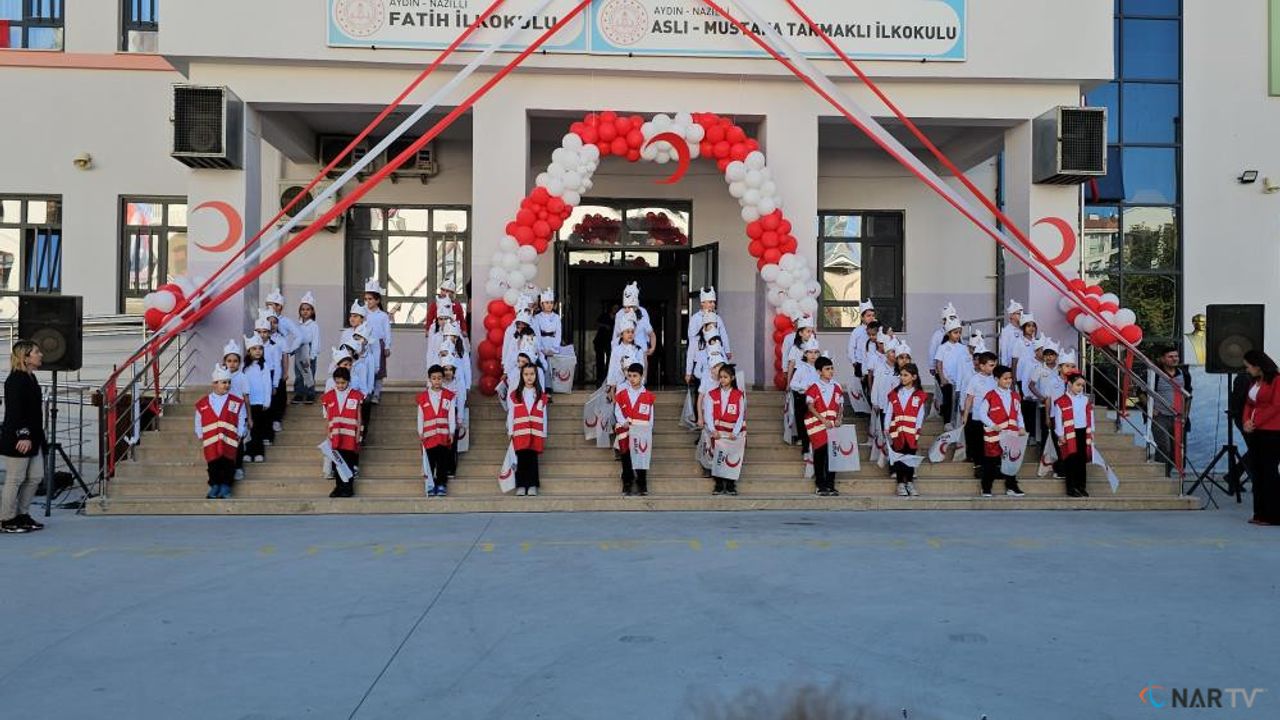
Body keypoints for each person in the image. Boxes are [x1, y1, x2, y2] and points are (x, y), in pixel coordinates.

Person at [1, 340, 44, 532]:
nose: (40, 354)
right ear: (26, 358)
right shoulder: (15, 380)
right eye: (36, 352)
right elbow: (15, 412)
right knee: (15, 478)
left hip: (34, 437)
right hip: (18, 438)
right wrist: (23, 435)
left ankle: (22, 514)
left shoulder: (31, 379)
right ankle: (6, 519)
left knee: (35, 476)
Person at [192, 365, 247, 501]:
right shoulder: (203, 403)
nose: (227, 385)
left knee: (228, 463)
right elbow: (198, 420)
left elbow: (241, 417)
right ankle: (215, 485)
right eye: (224, 382)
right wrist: (200, 434)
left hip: (229, 440)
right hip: (211, 440)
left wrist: (240, 432)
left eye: (229, 382)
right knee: (213, 464)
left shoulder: (236, 402)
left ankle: (226, 486)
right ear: (214, 384)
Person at [975, 365, 1027, 497]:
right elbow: (982, 413)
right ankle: (986, 487)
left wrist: (1021, 426)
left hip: (1012, 434)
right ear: (997, 379)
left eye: (1010, 378)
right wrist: (992, 425)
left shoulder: (1015, 396)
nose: (1008, 381)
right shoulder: (991, 395)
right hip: (994, 435)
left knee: (1011, 461)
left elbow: (1019, 413)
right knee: (991, 462)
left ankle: (1012, 486)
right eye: (1005, 378)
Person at [1241, 350, 1280, 525]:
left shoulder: (1277, 380)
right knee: (1257, 472)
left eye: (1248, 366)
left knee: (1269, 472)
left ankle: (1272, 514)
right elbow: (1249, 403)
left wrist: (1254, 421)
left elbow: (1276, 406)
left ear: (1257, 366)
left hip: (1272, 431)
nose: (1247, 370)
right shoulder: (1256, 382)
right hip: (1256, 430)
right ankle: (1259, 513)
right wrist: (1246, 421)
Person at [885, 362, 928, 497]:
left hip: (911, 432)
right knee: (899, 457)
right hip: (897, 431)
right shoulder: (895, 394)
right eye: (901, 375)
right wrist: (886, 427)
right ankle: (900, 484)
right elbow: (889, 411)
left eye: (905, 375)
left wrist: (917, 430)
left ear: (914, 377)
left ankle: (909, 482)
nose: (902, 378)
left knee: (910, 457)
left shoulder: (919, 395)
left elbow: (920, 414)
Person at [322, 366, 365, 498]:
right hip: (336, 435)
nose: (340, 385)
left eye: (343, 383)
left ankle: (348, 488)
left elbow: (358, 416)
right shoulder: (328, 396)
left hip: (350, 436)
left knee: (349, 462)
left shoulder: (355, 395)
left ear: (348, 381)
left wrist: (358, 434)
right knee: (337, 463)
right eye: (338, 382)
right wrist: (328, 433)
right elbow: (327, 417)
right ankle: (339, 487)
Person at [704, 363, 746, 496]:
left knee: (732, 458)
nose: (722, 380)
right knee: (718, 458)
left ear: (732, 378)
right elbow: (708, 414)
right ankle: (718, 484)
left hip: (732, 435)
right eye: (720, 377)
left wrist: (736, 432)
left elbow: (741, 415)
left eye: (725, 377)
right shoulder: (712, 394)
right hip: (717, 434)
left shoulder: (738, 395)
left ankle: (730, 485)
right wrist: (712, 430)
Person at [805, 356, 844, 497]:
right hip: (818, 427)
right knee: (820, 455)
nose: (831, 371)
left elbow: (840, 406)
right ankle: (820, 485)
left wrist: (839, 419)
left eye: (832, 368)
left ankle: (830, 484)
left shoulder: (837, 386)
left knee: (832, 456)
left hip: (832, 426)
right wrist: (822, 419)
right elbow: (810, 406)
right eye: (827, 369)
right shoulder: (814, 386)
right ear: (819, 371)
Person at [508, 364, 548, 497]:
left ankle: (532, 485)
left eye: (532, 374)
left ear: (536, 376)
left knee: (532, 459)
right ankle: (520, 485)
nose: (529, 377)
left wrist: (544, 432)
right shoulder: (516, 395)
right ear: (522, 376)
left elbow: (544, 415)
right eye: (526, 374)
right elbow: (511, 413)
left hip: (535, 433)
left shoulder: (541, 396)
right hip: (520, 432)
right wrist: (510, 431)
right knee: (521, 459)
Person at [614, 363, 653, 497]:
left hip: (641, 431)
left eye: (635, 376)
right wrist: (622, 422)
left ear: (641, 377)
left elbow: (650, 415)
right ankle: (627, 483)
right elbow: (618, 410)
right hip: (625, 431)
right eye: (629, 376)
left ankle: (642, 484)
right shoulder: (622, 393)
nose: (632, 379)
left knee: (641, 456)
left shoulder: (647, 395)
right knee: (626, 457)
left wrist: (648, 430)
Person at [1052, 372, 1094, 498]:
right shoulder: (1061, 401)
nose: (1080, 388)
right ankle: (1071, 488)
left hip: (1082, 432)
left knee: (1081, 460)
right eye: (1078, 385)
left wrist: (1091, 432)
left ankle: (1081, 487)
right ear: (1069, 384)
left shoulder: (1085, 399)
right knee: (1071, 460)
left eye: (1082, 385)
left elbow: (1089, 416)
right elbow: (1058, 419)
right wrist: (1060, 434)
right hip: (1069, 434)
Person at [1151, 346, 1191, 475]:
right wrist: (1151, 409)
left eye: (1176, 356)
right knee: (1164, 447)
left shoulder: (1184, 374)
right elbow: (1142, 393)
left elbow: (1188, 396)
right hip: (1160, 416)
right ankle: (1162, 477)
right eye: (1170, 356)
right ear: (1162, 359)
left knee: (1178, 451)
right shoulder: (1155, 373)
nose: (1174, 359)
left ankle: (1169, 475)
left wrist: (1185, 415)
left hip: (1179, 417)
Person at [418, 364, 457, 497]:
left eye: (439, 378)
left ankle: (441, 484)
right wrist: (420, 432)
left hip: (443, 435)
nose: (437, 381)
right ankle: (430, 484)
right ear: (429, 379)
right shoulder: (423, 397)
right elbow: (420, 415)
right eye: (434, 378)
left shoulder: (449, 396)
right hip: (428, 436)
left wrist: (451, 432)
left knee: (442, 461)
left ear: (443, 379)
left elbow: (451, 415)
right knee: (430, 461)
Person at [961, 351, 999, 477]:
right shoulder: (975, 379)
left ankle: (993, 467)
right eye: (991, 365)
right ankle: (978, 466)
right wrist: (966, 415)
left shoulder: (996, 379)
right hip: (978, 417)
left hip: (993, 418)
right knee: (978, 443)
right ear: (982, 366)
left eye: (995, 365)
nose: (993, 368)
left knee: (992, 443)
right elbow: (969, 398)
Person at [220, 339, 251, 481]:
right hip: (225, 415)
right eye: (229, 360)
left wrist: (249, 417)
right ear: (225, 361)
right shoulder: (220, 377)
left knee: (238, 442)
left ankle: (238, 467)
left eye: (235, 361)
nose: (232, 364)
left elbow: (246, 398)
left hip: (239, 414)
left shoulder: (243, 377)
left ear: (239, 362)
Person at [241, 335, 273, 463]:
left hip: (259, 402)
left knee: (258, 428)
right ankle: (248, 452)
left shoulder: (264, 366)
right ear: (249, 351)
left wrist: (267, 400)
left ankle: (259, 451)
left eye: (260, 348)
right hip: (247, 403)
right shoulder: (244, 367)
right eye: (254, 348)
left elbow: (267, 384)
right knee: (249, 428)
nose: (258, 351)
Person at [788, 339, 822, 454]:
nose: (813, 355)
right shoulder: (801, 368)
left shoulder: (820, 369)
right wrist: (804, 387)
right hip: (803, 399)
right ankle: (805, 446)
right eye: (810, 352)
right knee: (803, 422)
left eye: (815, 352)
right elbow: (793, 384)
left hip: (818, 400)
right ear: (805, 354)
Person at [932, 317, 966, 428]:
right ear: (948, 333)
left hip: (959, 379)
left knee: (958, 401)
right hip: (947, 379)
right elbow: (939, 363)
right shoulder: (943, 347)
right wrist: (942, 377)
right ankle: (947, 421)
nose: (958, 335)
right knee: (947, 400)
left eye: (959, 333)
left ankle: (957, 421)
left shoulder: (963, 348)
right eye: (955, 332)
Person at [363, 278, 392, 404]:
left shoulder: (383, 316)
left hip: (379, 345)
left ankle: (376, 393)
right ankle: (367, 392)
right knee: (366, 368)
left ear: (377, 300)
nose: (368, 301)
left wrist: (387, 346)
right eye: (366, 299)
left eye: (370, 299)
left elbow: (387, 332)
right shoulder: (363, 314)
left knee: (379, 370)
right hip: (365, 344)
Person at [613, 282, 657, 362]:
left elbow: (651, 334)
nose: (627, 310)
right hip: (624, 353)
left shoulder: (643, 314)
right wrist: (615, 353)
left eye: (629, 307)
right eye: (625, 307)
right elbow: (616, 336)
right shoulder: (620, 314)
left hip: (641, 351)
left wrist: (652, 347)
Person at [291, 291, 321, 404]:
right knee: (299, 373)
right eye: (303, 309)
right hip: (299, 350)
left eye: (308, 309)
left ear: (312, 311)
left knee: (309, 373)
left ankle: (310, 393)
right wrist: (292, 349)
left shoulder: (314, 325)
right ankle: (299, 393)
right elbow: (295, 338)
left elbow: (316, 340)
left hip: (308, 351)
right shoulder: (297, 325)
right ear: (299, 311)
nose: (305, 312)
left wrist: (312, 355)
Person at [688, 286, 731, 359]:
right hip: (700, 355)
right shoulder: (695, 319)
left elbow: (723, 335)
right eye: (710, 302)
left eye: (714, 302)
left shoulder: (718, 318)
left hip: (716, 354)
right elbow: (692, 338)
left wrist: (727, 350)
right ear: (702, 303)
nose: (713, 304)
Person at [846, 300, 876, 381]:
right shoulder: (857, 331)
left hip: (874, 364)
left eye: (873, 315)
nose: (871, 318)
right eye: (868, 315)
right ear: (862, 317)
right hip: (860, 363)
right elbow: (851, 348)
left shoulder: (878, 330)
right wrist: (854, 363)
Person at [532, 288, 562, 365]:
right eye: (547, 303)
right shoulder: (537, 317)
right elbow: (537, 334)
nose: (549, 305)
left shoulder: (556, 317)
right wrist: (542, 349)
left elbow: (558, 334)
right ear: (542, 304)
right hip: (541, 348)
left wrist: (554, 349)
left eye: (551, 303)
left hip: (553, 347)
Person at [593, 302, 618, 385]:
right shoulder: (604, 315)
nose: (616, 310)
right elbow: (596, 323)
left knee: (610, 360)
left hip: (610, 342)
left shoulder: (618, 317)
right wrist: (604, 325)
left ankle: (608, 378)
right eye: (614, 308)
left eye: (617, 308)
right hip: (600, 340)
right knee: (599, 360)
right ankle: (599, 378)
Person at [998, 299, 1024, 367]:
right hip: (1012, 365)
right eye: (1018, 313)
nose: (1021, 315)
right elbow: (1004, 350)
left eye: (1022, 313)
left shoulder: (1023, 329)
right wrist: (1005, 366)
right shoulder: (1006, 331)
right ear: (1011, 315)